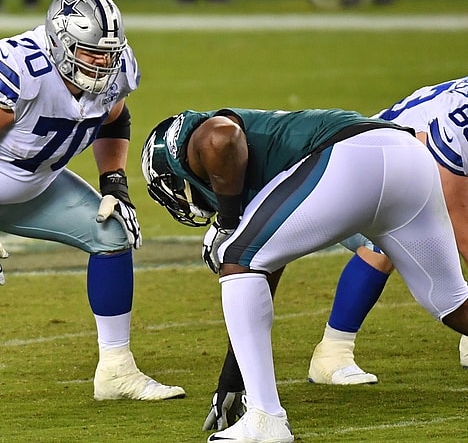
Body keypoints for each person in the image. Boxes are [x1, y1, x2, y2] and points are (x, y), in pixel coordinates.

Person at [0, 0, 185, 421]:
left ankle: (116, 370)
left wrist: (113, 180)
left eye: (109, 52)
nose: (102, 62)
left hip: (33, 184)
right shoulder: (23, 68)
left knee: (111, 233)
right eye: (91, 51)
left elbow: (115, 118)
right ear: (61, 43)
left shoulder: (115, 71)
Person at [142, 107, 468, 442]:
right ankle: (259, 407)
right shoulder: (260, 157)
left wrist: (226, 223)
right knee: (450, 302)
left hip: (352, 159)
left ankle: (266, 417)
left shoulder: (190, 143)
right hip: (409, 156)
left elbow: (221, 138)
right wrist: (232, 378)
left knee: (235, 254)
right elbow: (263, 270)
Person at [309, 76, 468, 384]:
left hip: (405, 170)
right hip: (357, 176)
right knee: (397, 234)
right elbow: (457, 216)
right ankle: (333, 351)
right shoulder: (456, 123)